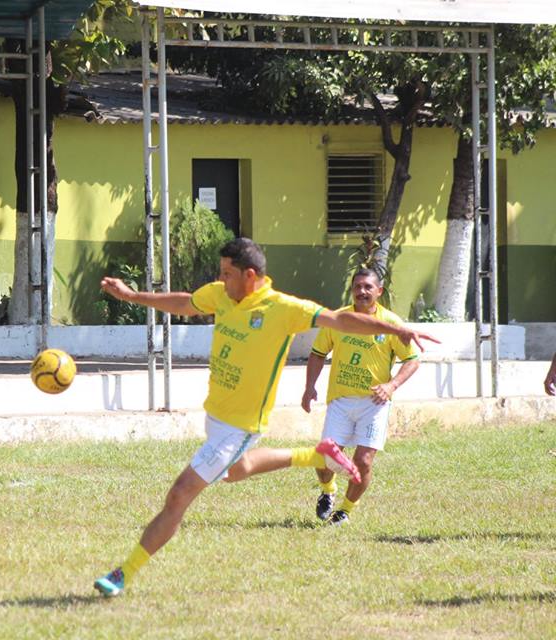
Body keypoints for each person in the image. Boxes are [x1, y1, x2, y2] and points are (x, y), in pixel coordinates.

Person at [93, 238, 438, 598]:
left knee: (180, 494)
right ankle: (317, 456)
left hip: (240, 425)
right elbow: (186, 302)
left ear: (250, 275)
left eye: (227, 273)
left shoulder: (282, 308)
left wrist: (395, 329)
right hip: (216, 415)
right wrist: (133, 296)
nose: (221, 279)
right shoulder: (222, 294)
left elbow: (338, 319)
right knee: (235, 472)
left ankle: (123, 572)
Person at [301, 268, 420, 525]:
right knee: (325, 459)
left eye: (368, 287)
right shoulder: (338, 319)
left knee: (363, 461)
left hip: (374, 405)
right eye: (357, 286)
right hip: (340, 402)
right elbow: (318, 353)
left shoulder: (390, 324)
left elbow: (412, 360)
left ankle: (344, 510)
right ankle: (327, 492)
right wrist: (310, 387)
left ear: (379, 291)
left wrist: (391, 385)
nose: (362, 291)